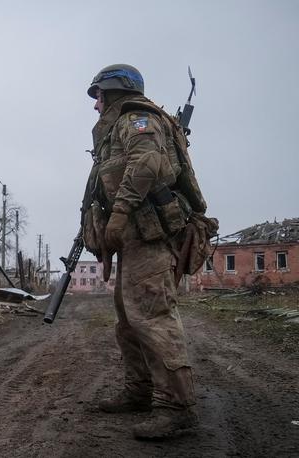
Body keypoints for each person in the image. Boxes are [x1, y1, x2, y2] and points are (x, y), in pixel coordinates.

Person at [83, 64, 199, 439]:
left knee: (153, 317)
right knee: (128, 320)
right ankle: (139, 391)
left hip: (149, 236)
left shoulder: (137, 120)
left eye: (98, 95)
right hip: (133, 239)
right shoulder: (115, 128)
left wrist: (119, 214)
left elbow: (146, 164)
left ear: (114, 91)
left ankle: (177, 409)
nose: (95, 104)